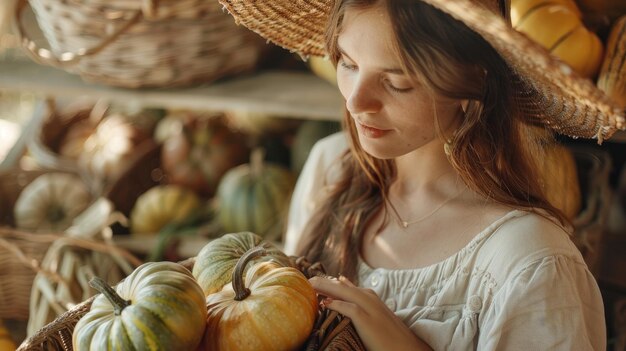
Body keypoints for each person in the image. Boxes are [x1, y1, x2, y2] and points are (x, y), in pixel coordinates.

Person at [219, 0, 625, 349]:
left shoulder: (529, 264)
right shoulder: (329, 166)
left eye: (397, 83)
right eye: (348, 63)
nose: (357, 102)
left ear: (471, 86)